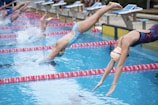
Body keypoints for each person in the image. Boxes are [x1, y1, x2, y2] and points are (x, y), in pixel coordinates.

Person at [37, 2, 122, 63]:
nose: (63, 52)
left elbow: (49, 57)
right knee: (95, 18)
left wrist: (35, 63)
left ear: (59, 51)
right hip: (77, 29)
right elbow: (51, 58)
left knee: (96, 17)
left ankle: (111, 5)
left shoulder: (59, 47)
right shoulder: (58, 46)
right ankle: (110, 6)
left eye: (61, 53)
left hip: (78, 30)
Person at [93, 23, 158, 96]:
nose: (127, 55)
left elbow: (120, 65)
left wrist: (113, 85)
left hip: (155, 32)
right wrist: (102, 80)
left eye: (126, 55)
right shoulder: (118, 42)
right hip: (152, 29)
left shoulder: (125, 44)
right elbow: (112, 62)